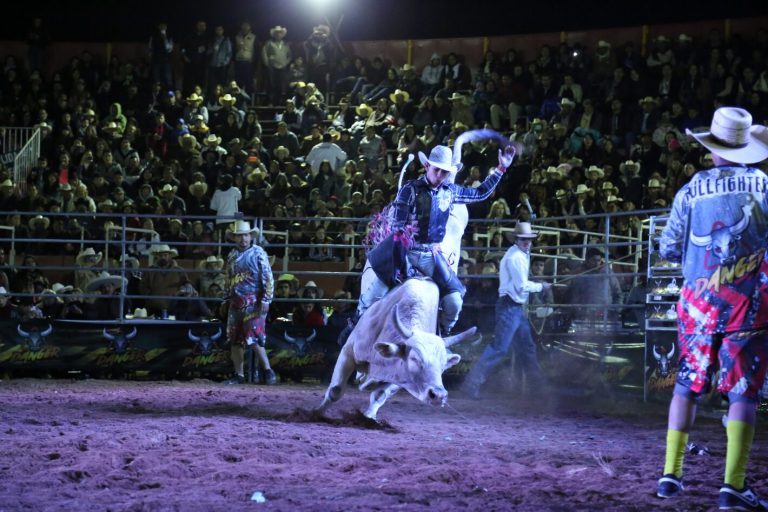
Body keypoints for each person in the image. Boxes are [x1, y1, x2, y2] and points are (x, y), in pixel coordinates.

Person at [655, 106, 768, 510]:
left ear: (713, 148)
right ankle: (731, 487)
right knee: (743, 395)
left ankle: (671, 475)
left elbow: (667, 246)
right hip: (748, 305)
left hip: (698, 305)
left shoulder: (690, 190)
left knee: (687, 384)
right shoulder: (762, 184)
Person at [355, 136, 515, 337]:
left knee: (455, 301)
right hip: (406, 249)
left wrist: (501, 169)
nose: (440, 175)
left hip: (431, 254)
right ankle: (356, 325)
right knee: (372, 294)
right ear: (427, 166)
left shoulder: (450, 191)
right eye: (436, 169)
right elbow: (397, 230)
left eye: (444, 171)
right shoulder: (409, 190)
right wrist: (403, 265)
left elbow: (480, 193)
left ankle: (443, 334)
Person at [461, 222, 552, 399]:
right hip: (510, 307)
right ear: (517, 239)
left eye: (529, 240)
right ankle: (470, 385)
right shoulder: (515, 258)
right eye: (524, 239)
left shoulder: (518, 255)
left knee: (526, 348)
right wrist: (541, 287)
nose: (527, 242)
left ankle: (538, 388)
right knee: (500, 348)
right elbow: (521, 286)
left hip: (514, 308)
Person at [223, 220, 277, 386]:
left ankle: (268, 370)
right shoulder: (232, 256)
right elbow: (228, 279)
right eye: (239, 236)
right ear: (235, 238)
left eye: (245, 235)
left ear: (250, 236)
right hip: (236, 301)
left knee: (254, 336)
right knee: (235, 339)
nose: (243, 239)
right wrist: (226, 298)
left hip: (255, 301)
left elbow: (268, 277)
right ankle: (239, 375)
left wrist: (267, 299)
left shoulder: (258, 253)